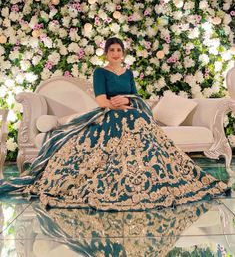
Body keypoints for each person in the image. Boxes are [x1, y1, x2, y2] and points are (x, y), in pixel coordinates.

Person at [0, 37, 230, 211]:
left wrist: (128, 101)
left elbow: (136, 96)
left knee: (141, 122)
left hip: (131, 112)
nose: (116, 53)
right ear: (106, 53)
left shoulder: (128, 73)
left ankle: (150, 178)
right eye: (112, 50)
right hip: (110, 113)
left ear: (123, 53)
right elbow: (100, 99)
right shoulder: (100, 72)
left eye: (119, 50)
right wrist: (116, 105)